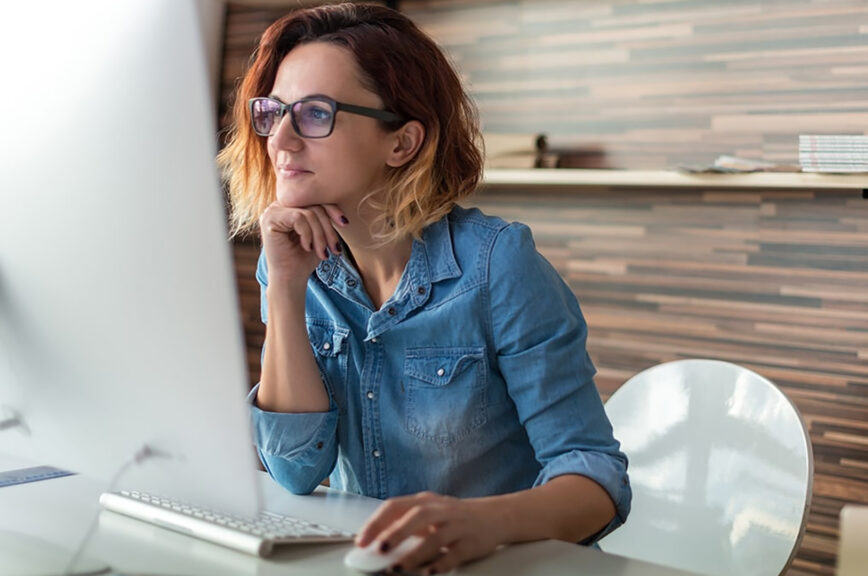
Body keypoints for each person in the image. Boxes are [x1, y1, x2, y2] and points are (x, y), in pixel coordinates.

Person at [218, 3, 630, 573]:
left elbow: (595, 478)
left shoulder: (497, 265)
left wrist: (481, 523)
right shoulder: (292, 264)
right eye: (274, 112)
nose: (281, 140)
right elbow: (294, 470)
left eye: (315, 114)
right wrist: (285, 289)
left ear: (403, 143)